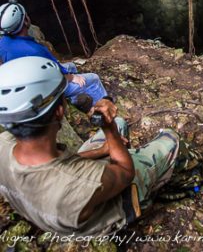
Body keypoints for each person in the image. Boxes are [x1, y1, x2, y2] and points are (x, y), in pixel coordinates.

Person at [0, 56, 185, 236]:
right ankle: (179, 184)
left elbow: (56, 164)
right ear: (59, 111)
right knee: (171, 138)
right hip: (102, 210)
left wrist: (103, 150)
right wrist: (108, 128)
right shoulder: (78, 183)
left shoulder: (4, 144)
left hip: (57, 204)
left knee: (120, 122)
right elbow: (125, 172)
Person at [0, 0, 108, 111]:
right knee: (94, 79)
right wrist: (72, 77)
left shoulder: (2, 42)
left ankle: (75, 98)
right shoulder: (36, 50)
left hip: (25, 80)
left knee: (71, 66)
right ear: (26, 21)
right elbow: (56, 72)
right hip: (45, 89)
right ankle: (104, 112)